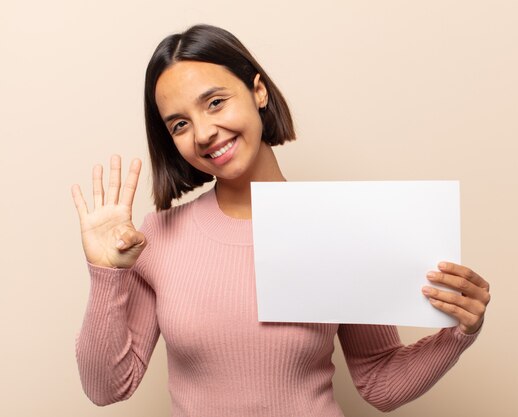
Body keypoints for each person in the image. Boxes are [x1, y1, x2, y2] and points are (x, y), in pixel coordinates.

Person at [71, 24, 491, 417]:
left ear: (257, 91)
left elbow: (378, 379)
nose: (202, 133)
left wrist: (460, 333)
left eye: (215, 102)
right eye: (180, 124)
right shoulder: (158, 237)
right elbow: (108, 387)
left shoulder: (341, 228)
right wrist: (106, 274)